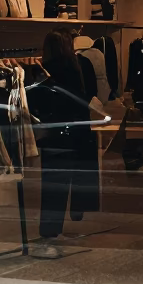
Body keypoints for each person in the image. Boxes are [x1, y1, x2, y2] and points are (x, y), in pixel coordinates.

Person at [27, 30, 100, 239]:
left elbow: (36, 101)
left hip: (55, 131)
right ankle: (78, 209)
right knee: (81, 174)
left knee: (53, 183)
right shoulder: (83, 65)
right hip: (81, 127)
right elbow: (91, 93)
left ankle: (50, 227)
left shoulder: (45, 70)